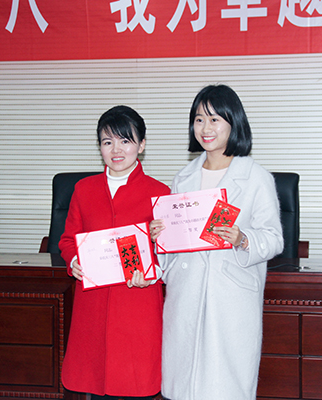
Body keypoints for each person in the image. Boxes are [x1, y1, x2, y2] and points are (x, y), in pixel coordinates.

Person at [150, 84, 284, 400]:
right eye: (199, 119)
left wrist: (243, 237)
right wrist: (160, 236)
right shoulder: (183, 178)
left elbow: (274, 239)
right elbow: (172, 247)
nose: (205, 128)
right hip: (186, 292)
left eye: (214, 119)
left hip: (231, 295)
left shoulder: (256, 177)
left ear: (233, 123)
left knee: (225, 385)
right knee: (184, 382)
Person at [59, 105, 170, 400]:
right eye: (107, 142)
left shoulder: (160, 192)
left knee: (135, 384)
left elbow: (168, 252)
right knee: (95, 385)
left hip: (137, 303)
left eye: (125, 140)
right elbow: (68, 239)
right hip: (93, 304)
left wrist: (153, 274)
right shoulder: (84, 189)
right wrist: (74, 261)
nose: (116, 150)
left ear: (141, 145)